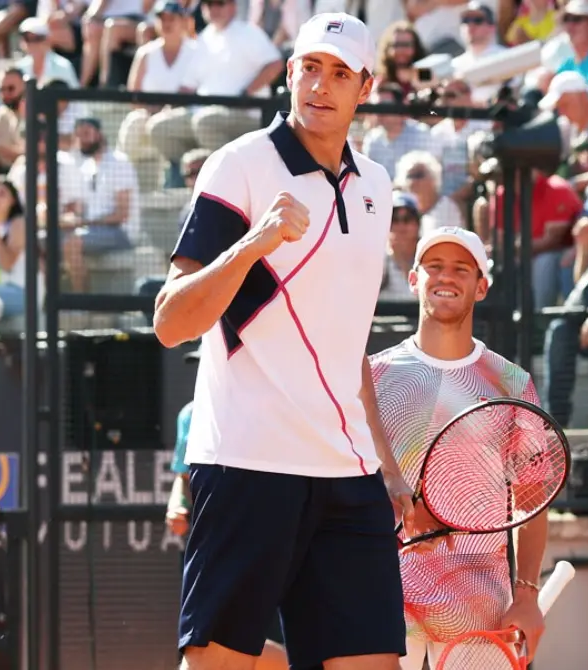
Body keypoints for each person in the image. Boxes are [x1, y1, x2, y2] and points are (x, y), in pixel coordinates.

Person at [152, 13, 412, 670]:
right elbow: (171, 321)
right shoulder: (237, 164)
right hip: (246, 462)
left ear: (365, 87)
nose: (320, 85)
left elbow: (345, 338)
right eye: (309, 68)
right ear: (290, 73)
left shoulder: (378, 187)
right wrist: (253, 243)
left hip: (348, 475)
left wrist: (385, 463)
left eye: (339, 73)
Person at [368, 226, 548, 670]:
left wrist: (526, 595)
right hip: (380, 592)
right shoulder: (370, 377)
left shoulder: (512, 383)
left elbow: (532, 499)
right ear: (414, 279)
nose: (446, 277)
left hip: (480, 602)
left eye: (461, 269)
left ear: (481, 286)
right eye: (435, 266)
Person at [165, 347, 291, 670]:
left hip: (266, 544)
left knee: (262, 641)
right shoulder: (190, 415)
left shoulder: (267, 410)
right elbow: (183, 476)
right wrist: (177, 506)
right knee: (202, 643)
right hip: (210, 545)